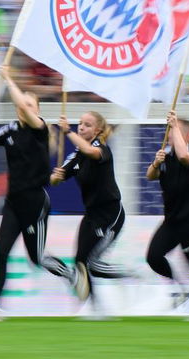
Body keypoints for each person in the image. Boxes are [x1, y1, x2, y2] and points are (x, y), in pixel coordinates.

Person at [0, 69, 73, 320]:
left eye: (30, 104)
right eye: (24, 103)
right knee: (2, 252)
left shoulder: (40, 128)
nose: (25, 107)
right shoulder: (10, 130)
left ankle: (71, 274)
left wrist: (8, 78)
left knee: (37, 258)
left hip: (35, 202)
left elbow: (21, 104)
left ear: (37, 110)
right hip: (13, 202)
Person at [50, 109, 125, 316]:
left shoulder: (100, 148)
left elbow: (91, 153)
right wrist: (56, 177)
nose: (81, 127)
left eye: (88, 125)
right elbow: (56, 178)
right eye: (80, 123)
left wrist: (67, 133)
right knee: (80, 261)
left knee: (91, 263)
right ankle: (95, 308)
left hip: (111, 213)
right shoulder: (75, 156)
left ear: (98, 130)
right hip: (92, 214)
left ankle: (129, 276)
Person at [146, 111, 189, 320]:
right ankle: (182, 288)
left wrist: (175, 125)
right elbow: (150, 176)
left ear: (186, 137)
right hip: (172, 221)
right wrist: (155, 164)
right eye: (168, 135)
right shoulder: (165, 157)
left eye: (173, 135)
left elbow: (184, 156)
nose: (168, 139)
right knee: (154, 257)